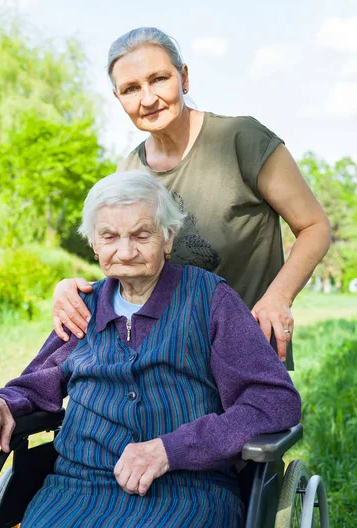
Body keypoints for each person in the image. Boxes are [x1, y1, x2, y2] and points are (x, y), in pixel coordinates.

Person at [0, 172, 301, 528]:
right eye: (109, 236)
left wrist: (171, 450)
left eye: (142, 235)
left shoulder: (210, 299)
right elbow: (37, 383)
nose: (125, 252)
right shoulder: (84, 307)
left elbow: (274, 401)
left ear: (168, 238)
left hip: (186, 491)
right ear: (94, 244)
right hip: (76, 491)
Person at [52, 27, 331, 369]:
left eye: (159, 79)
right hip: (167, 360)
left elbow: (315, 226)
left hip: (247, 350)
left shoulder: (242, 140)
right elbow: (130, 266)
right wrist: (73, 290)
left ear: (183, 77)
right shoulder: (128, 173)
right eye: (131, 89)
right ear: (118, 98)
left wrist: (278, 297)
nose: (148, 99)